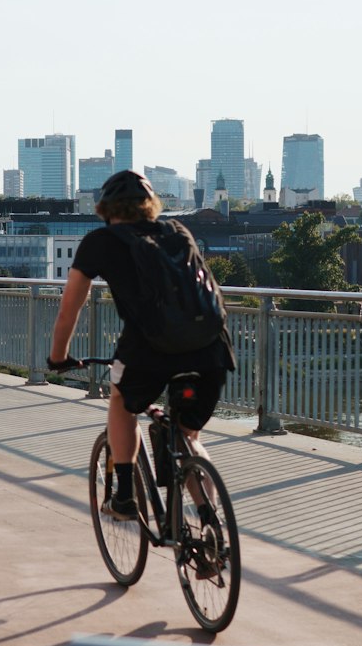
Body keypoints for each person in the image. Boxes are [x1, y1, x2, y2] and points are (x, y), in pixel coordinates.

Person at [48, 170, 234, 519]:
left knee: (122, 401)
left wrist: (59, 357)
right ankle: (211, 528)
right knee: (188, 436)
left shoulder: (101, 241)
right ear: (151, 205)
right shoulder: (178, 231)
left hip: (149, 348)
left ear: (105, 209)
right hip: (210, 347)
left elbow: (67, 312)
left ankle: (124, 497)